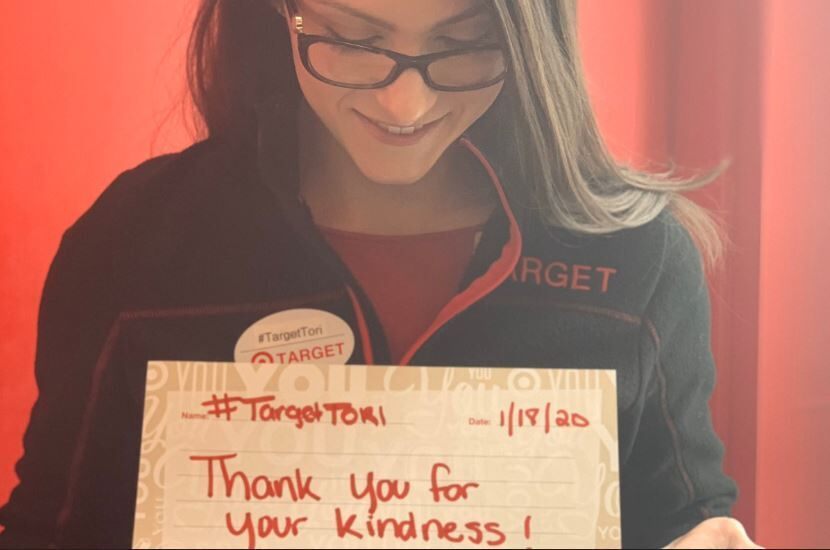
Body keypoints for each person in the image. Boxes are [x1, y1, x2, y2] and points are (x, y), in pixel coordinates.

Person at [0, 0, 762, 548]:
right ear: (280, 15)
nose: (405, 100)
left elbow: (679, 511)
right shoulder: (140, 239)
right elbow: (56, 523)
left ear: (529, 38)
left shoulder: (635, 257)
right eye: (353, 39)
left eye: (464, 44)